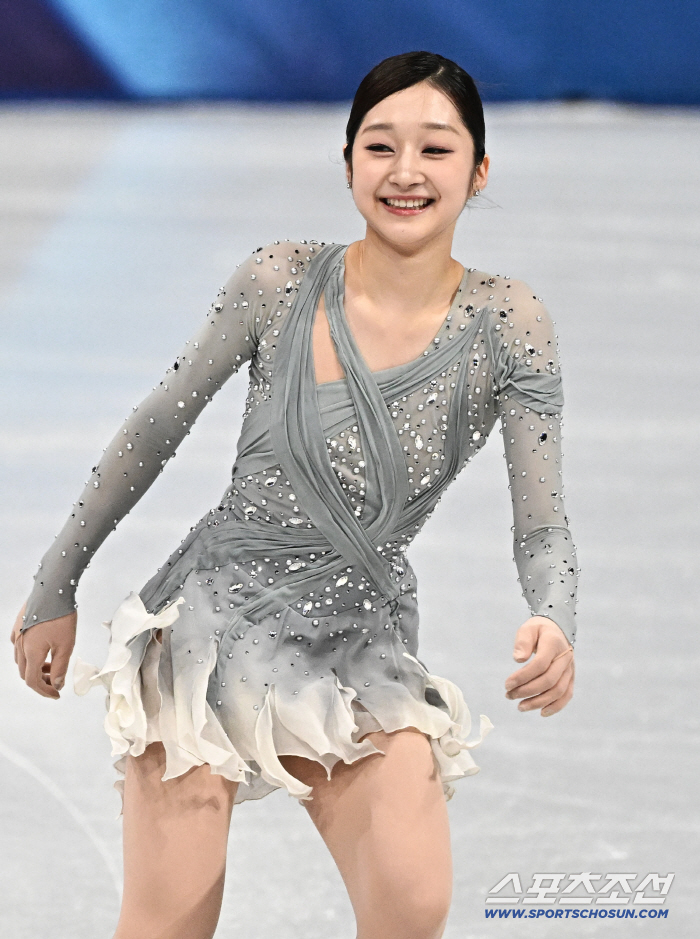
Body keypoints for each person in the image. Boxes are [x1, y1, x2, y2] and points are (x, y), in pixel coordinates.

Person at [11, 51, 577, 939]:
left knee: (411, 901)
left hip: (359, 639)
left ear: (479, 167)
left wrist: (555, 614)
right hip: (210, 628)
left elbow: (542, 523)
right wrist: (55, 583)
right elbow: (154, 428)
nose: (405, 172)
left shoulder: (509, 321)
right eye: (380, 146)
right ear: (348, 160)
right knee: (168, 921)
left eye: (435, 148)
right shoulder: (280, 279)